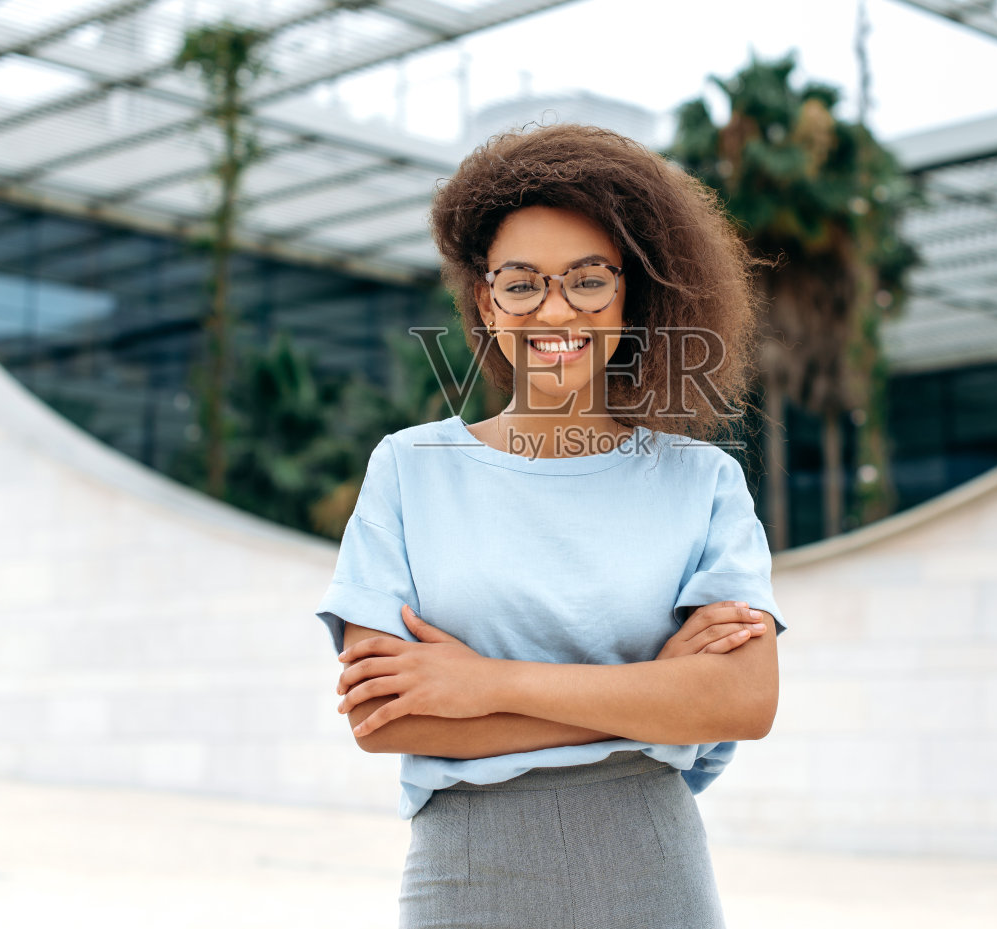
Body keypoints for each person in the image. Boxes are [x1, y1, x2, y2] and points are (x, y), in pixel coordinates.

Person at [315, 122, 788, 928]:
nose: (555, 308)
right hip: (467, 877)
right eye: (522, 281)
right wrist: (657, 699)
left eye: (588, 279)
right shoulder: (409, 467)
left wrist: (484, 685)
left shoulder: (701, 480)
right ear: (484, 299)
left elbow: (744, 698)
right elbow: (385, 715)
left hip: (654, 873)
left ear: (629, 294)